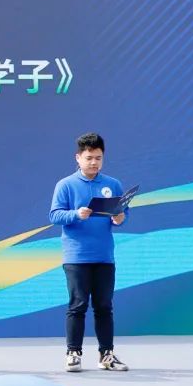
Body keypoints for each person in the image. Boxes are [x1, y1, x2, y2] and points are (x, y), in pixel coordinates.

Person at [49, 133, 129, 373]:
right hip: (77, 256)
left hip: (104, 255)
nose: (94, 162)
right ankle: (73, 353)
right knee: (78, 305)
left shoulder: (113, 184)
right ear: (78, 158)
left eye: (98, 158)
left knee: (104, 306)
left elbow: (122, 214)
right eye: (89, 158)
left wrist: (119, 218)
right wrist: (76, 214)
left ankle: (107, 355)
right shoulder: (65, 185)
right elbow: (54, 215)